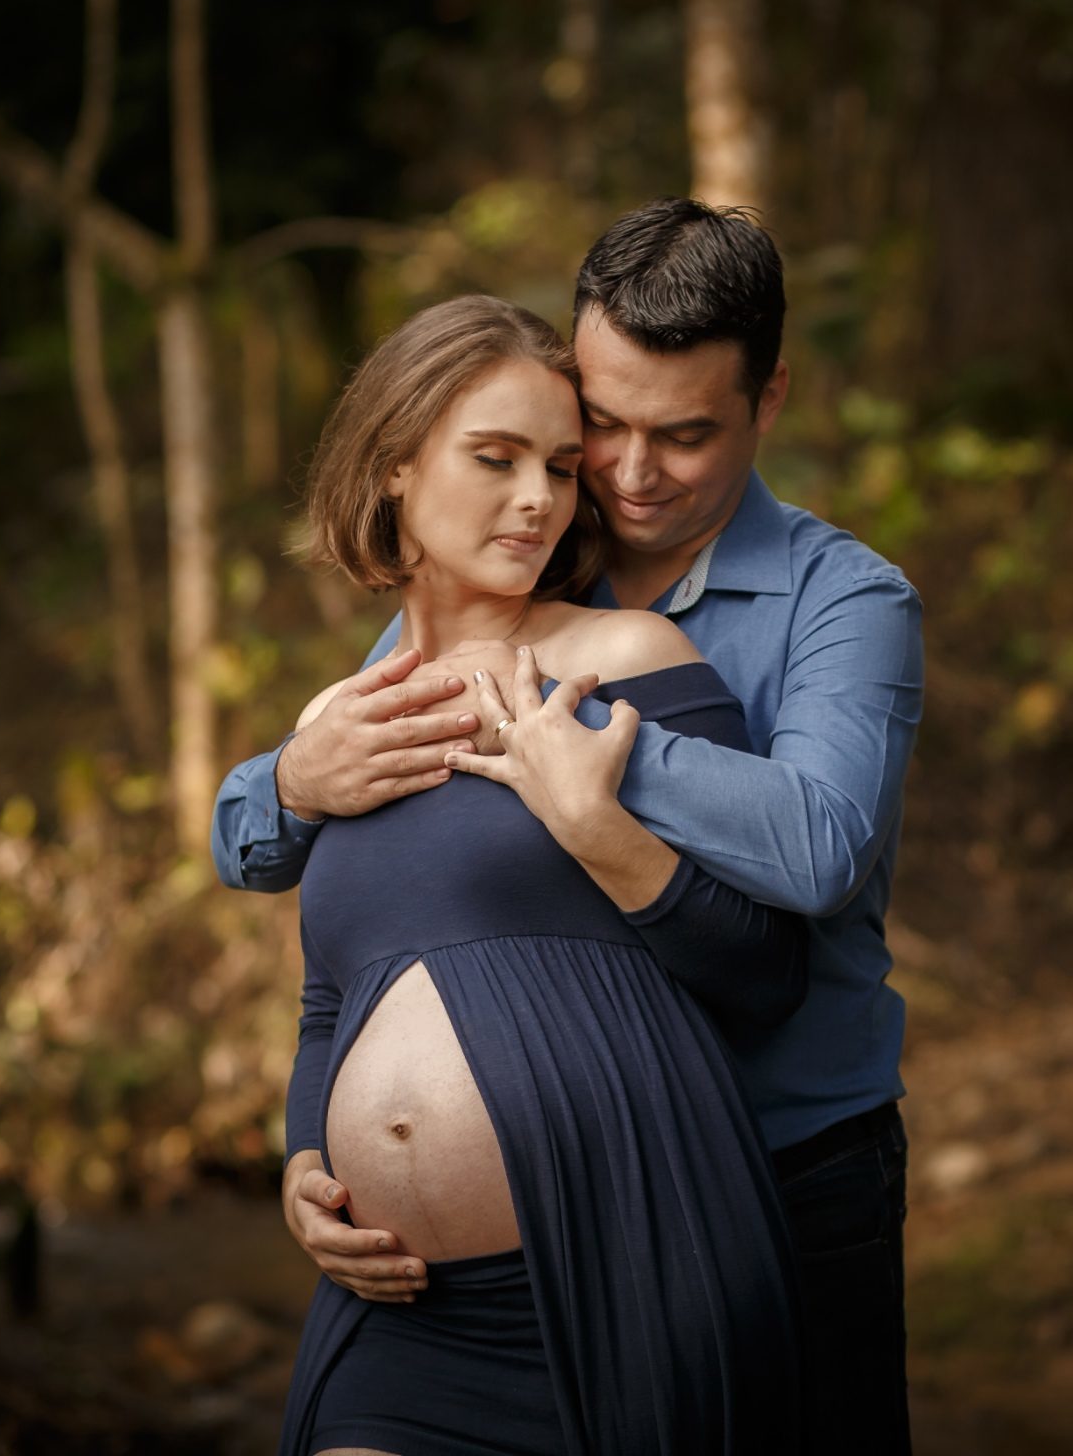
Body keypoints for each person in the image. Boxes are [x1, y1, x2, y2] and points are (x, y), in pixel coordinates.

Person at [215, 200, 925, 1454]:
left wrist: (592, 755)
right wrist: (285, 781)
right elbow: (319, 892)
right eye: (603, 425)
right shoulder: (510, 575)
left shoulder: (842, 600)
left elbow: (814, 851)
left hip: (785, 1168)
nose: (629, 473)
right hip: (475, 1264)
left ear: (768, 403)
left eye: (687, 433)